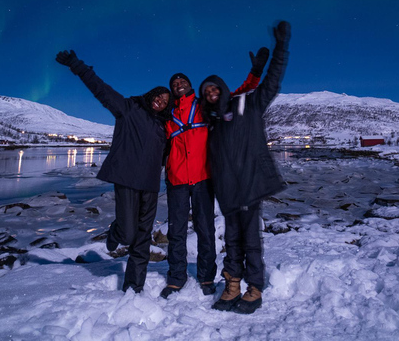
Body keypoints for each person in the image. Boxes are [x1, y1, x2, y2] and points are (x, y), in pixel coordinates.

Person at [56, 49, 170, 293]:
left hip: (150, 186)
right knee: (129, 235)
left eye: (165, 101)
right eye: (159, 96)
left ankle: (133, 288)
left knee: (142, 239)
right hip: (127, 180)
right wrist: (77, 65)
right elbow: (101, 90)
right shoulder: (130, 108)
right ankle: (116, 229)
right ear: (152, 94)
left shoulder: (163, 126)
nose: (161, 101)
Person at [160, 49, 269, 299]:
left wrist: (256, 72)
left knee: (206, 230)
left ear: (189, 85)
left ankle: (207, 276)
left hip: (203, 178)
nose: (178, 85)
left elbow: (240, 92)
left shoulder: (203, 107)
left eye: (182, 81)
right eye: (174, 83)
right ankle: (176, 278)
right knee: (176, 232)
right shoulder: (168, 117)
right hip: (176, 180)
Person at [198, 21, 290, 314]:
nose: (212, 93)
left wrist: (281, 46)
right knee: (232, 240)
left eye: (215, 88)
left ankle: (255, 288)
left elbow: (273, 82)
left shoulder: (247, 105)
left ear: (223, 89)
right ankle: (232, 284)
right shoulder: (210, 123)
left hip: (250, 185)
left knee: (251, 240)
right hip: (227, 191)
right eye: (206, 91)